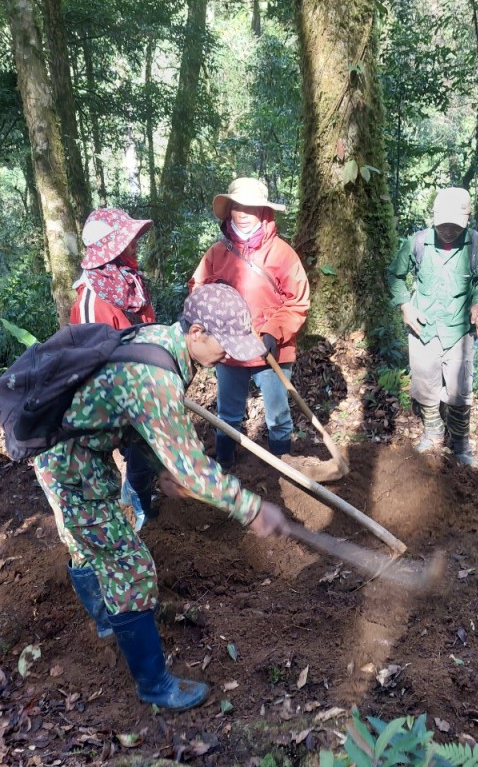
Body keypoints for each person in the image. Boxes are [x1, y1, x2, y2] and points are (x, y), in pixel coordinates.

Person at [32, 282, 289, 711]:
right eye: (224, 344)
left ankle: (108, 623)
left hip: (73, 452)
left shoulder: (158, 341)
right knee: (129, 568)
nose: (232, 354)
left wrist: (159, 475)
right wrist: (251, 508)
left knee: (85, 544)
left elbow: (138, 423)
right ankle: (153, 685)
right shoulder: (157, 377)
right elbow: (191, 463)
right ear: (198, 333)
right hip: (68, 465)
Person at [188, 177, 310, 469]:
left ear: (264, 212)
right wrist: (212, 327)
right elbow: (197, 291)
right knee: (228, 414)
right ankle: (226, 467)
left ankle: (282, 472)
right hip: (228, 351)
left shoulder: (282, 253)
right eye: (236, 206)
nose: (242, 212)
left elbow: (298, 301)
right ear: (229, 209)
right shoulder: (216, 253)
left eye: (250, 207)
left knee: (278, 417)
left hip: (271, 350)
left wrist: (272, 331)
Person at [386, 187, 478, 466]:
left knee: (460, 389)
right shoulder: (417, 243)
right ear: (434, 219)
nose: (448, 231)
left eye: (454, 226)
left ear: (467, 219)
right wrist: (405, 306)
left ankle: (460, 442)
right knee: (425, 385)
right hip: (423, 327)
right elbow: (395, 276)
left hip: (460, 329)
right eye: (443, 225)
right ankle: (433, 432)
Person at [70, 208, 158, 529]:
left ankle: (137, 496)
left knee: (148, 450)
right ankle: (137, 511)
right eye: (128, 239)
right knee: (140, 450)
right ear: (112, 248)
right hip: (117, 393)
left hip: (143, 381)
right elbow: (96, 359)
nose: (135, 244)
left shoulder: (130, 284)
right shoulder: (92, 300)